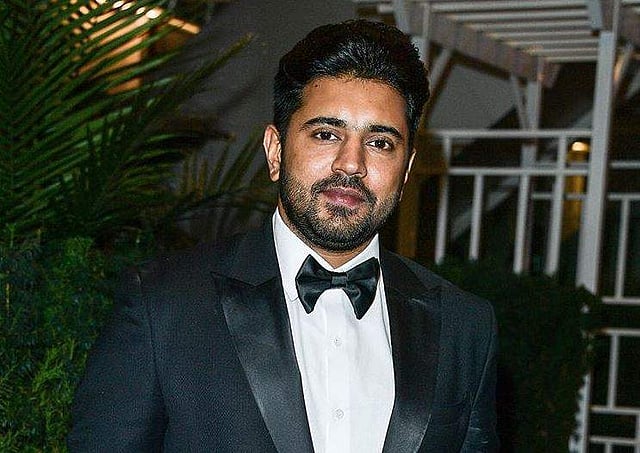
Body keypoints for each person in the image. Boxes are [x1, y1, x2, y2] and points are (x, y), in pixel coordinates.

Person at [69, 19, 498, 452]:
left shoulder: (463, 326)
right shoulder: (164, 304)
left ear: (405, 171)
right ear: (275, 151)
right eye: (326, 134)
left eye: (380, 143)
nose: (351, 163)